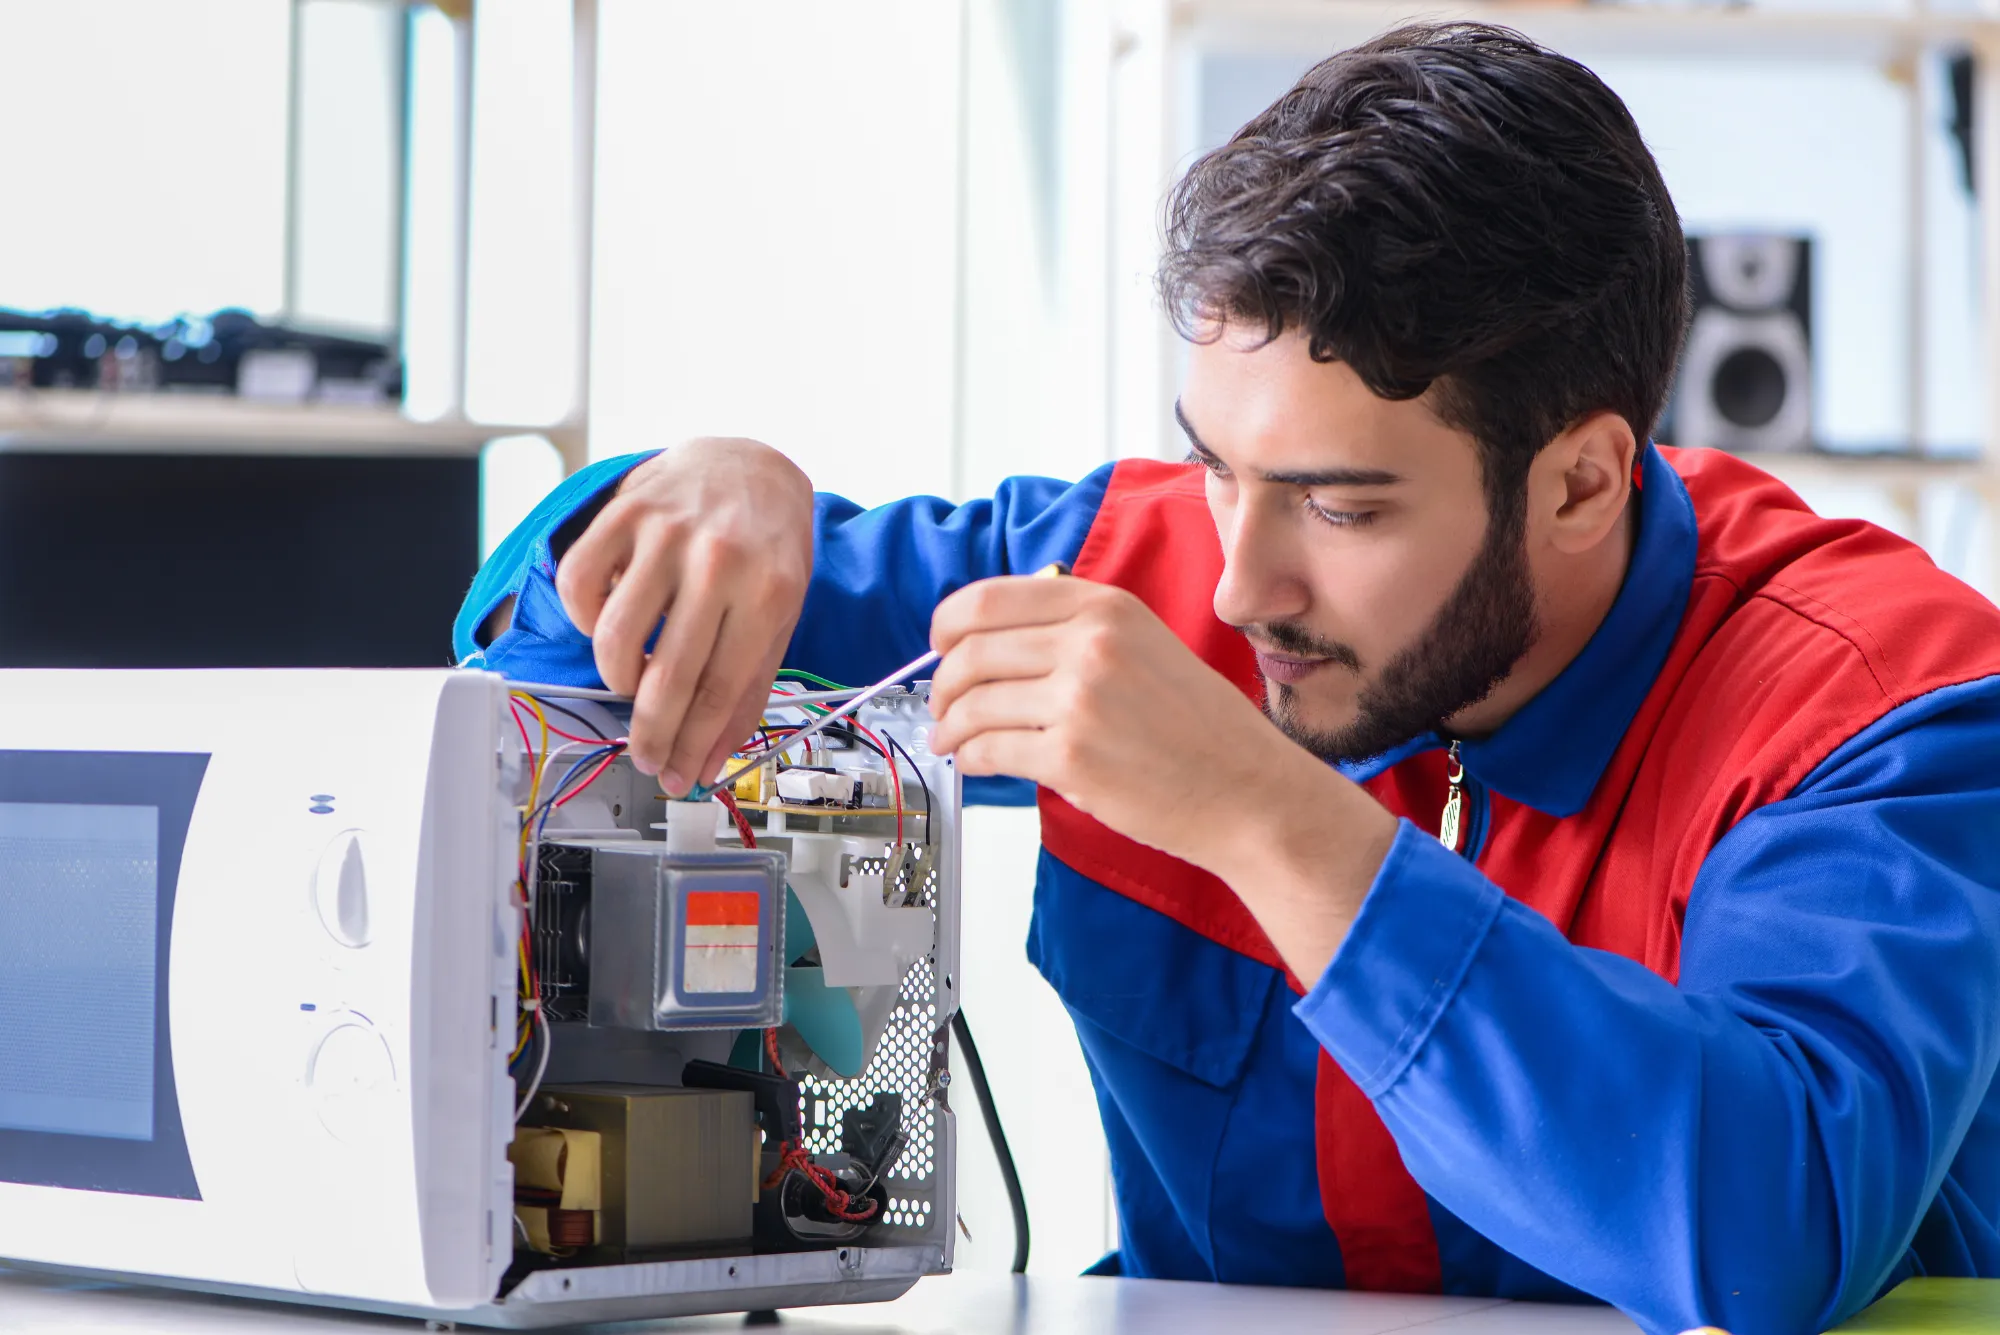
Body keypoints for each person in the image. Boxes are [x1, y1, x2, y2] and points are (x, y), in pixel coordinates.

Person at [456, 24, 2000, 1335]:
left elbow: (1768, 1224)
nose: (1242, 583)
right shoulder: (1122, 566)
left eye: (1343, 504)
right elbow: (536, 705)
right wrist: (693, 496)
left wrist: (1265, 815)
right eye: (1216, 466)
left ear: (1586, 483)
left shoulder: (1881, 702)